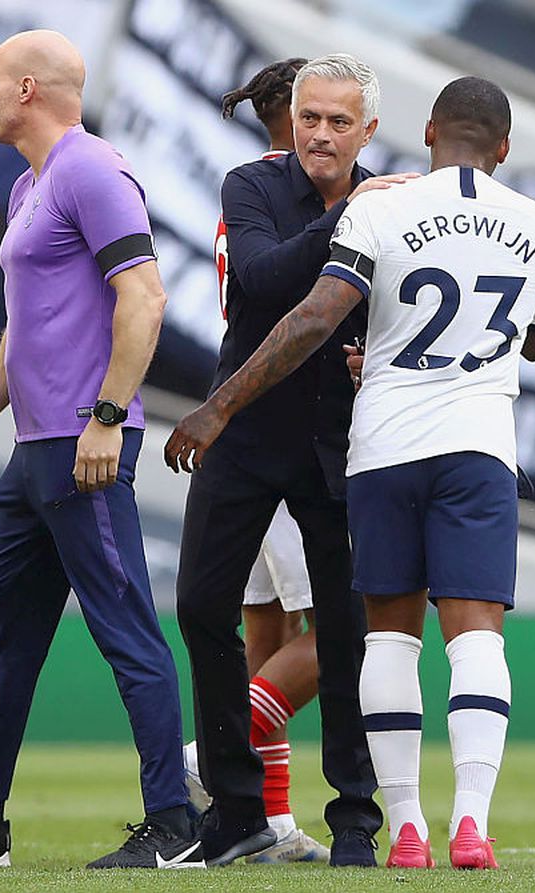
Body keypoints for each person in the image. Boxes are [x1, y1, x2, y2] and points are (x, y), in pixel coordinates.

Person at [166, 75, 535, 871]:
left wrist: (219, 404)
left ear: (422, 133)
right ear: (506, 149)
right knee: (476, 635)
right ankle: (472, 825)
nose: (317, 132)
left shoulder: (385, 207)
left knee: (384, 633)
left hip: (381, 444)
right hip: (479, 442)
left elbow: (317, 313)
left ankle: (405, 827)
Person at [0, 30, 201, 871]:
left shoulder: (93, 170)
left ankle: (175, 826)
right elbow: (25, 333)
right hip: (36, 449)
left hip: (81, 444)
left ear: (28, 89)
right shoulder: (32, 186)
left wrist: (106, 415)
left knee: (127, 626)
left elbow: (145, 297)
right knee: (7, 620)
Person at [167, 54, 409, 868]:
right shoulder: (251, 184)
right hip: (245, 429)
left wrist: (373, 352)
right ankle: (238, 810)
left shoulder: (396, 205)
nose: (321, 134)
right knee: (202, 604)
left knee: (345, 631)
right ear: (293, 118)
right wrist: (346, 224)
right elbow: (264, 283)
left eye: (341, 121)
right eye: (311, 117)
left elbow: (400, 316)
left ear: (368, 130)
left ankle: (353, 822)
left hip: (343, 442)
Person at [182, 57, 329, 866]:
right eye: (321, 112)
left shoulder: (251, 198)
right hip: (285, 427)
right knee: (339, 633)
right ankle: (221, 742)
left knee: (264, 626)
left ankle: (267, 824)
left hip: (247, 423)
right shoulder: (287, 195)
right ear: (302, 114)